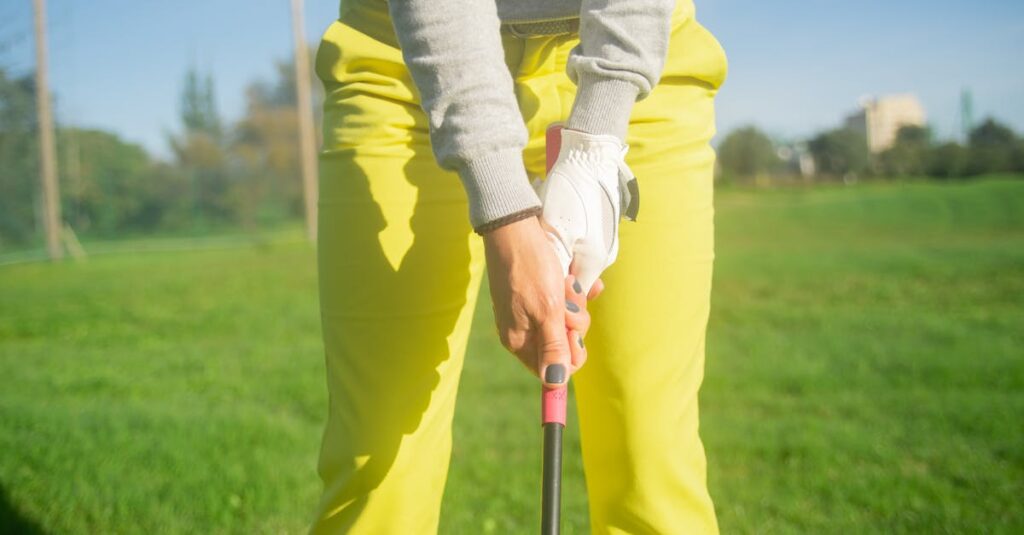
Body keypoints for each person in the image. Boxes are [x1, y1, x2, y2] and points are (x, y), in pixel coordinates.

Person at [310, 0, 727, 532]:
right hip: (410, 65)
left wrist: (597, 143)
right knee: (380, 461)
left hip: (635, 61)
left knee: (654, 462)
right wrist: (503, 208)